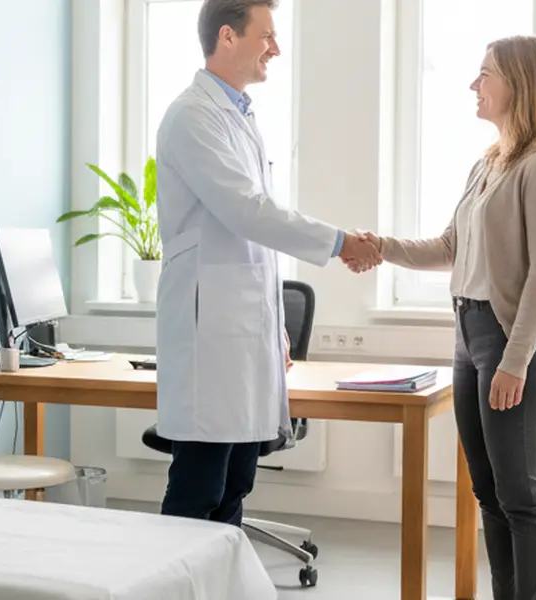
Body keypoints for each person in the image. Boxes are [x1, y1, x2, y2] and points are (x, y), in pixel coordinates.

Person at [346, 35, 536, 600]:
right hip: (469, 337)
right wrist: (383, 246)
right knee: (489, 493)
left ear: (518, 85)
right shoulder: (488, 164)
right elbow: (450, 246)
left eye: (485, 74)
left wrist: (515, 362)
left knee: (522, 496)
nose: (475, 85)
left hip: (510, 342)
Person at [152, 0, 381, 528]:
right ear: (228, 37)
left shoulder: (239, 115)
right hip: (208, 333)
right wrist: (341, 241)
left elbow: (257, 247)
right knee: (198, 488)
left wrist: (274, 325)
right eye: (267, 36)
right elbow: (247, 211)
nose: (275, 48)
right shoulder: (192, 116)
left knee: (237, 481)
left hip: (240, 332)